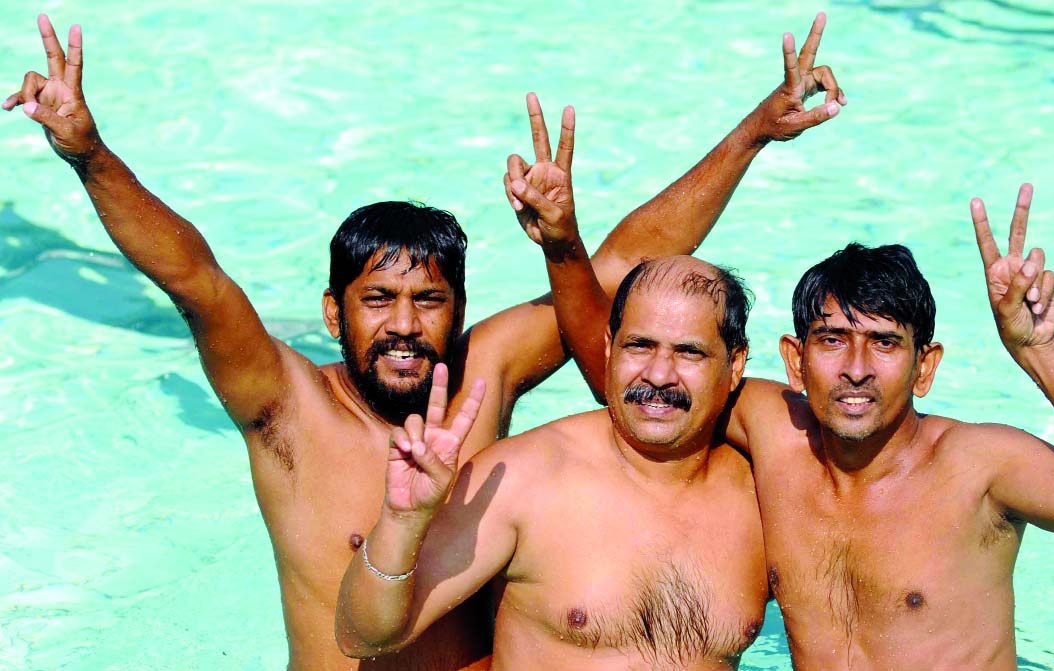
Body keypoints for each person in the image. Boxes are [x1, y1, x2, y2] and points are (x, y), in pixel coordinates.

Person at [3, 12, 844, 671]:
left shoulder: (487, 370)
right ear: (333, 314)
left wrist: (751, 135)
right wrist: (89, 155)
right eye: (377, 300)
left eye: (428, 301)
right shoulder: (285, 405)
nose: (404, 325)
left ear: (459, 307)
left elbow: (620, 271)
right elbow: (195, 279)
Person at [536, 182, 1054, 669]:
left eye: (885, 343)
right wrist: (564, 246)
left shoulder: (978, 466)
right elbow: (638, 387)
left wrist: (1038, 351)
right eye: (833, 340)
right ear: (795, 360)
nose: (856, 369)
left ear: (925, 367)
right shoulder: (776, 431)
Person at [336, 256, 770, 670]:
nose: (659, 375)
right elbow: (362, 637)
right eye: (639, 346)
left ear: (734, 365)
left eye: (689, 353)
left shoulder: (762, 500)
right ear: (609, 347)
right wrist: (402, 521)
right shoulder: (524, 478)